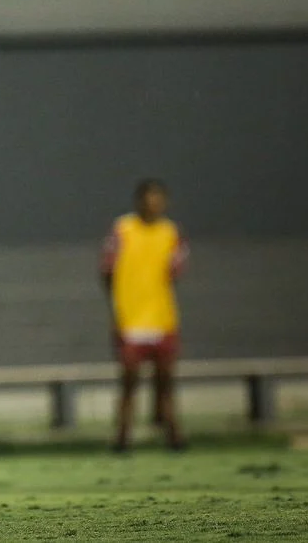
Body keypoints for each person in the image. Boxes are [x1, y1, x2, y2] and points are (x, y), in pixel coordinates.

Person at [101, 178, 188, 452]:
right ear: (138, 201)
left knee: (166, 382)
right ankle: (122, 437)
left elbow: (175, 271)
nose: (153, 205)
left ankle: (173, 435)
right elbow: (107, 270)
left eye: (158, 199)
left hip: (163, 319)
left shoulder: (170, 233)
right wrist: (119, 304)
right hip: (131, 320)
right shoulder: (123, 229)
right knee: (129, 383)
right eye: (149, 199)